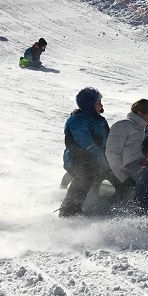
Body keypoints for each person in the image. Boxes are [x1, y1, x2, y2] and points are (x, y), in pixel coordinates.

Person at [58, 87, 121, 218]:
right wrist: (102, 160)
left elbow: (108, 141)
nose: (101, 105)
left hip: (99, 159)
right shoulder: (78, 120)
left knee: (120, 176)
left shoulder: (100, 120)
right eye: (98, 102)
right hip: (77, 159)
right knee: (85, 175)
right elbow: (86, 144)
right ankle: (69, 210)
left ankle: (116, 206)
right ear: (90, 104)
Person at [105, 99, 148, 211]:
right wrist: (122, 176)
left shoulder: (145, 129)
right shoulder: (123, 125)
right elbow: (112, 152)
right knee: (146, 174)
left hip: (145, 163)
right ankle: (140, 211)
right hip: (129, 166)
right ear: (140, 113)